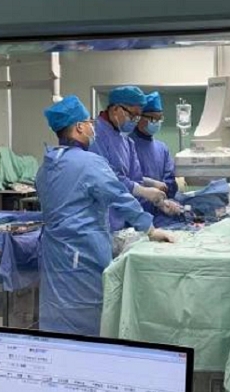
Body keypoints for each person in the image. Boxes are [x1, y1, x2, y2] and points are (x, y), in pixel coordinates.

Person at [36, 95, 173, 337]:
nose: (93, 128)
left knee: (57, 317)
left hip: (54, 253)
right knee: (87, 319)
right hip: (82, 254)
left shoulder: (47, 164)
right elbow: (119, 197)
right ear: (79, 127)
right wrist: (150, 229)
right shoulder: (89, 163)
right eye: (89, 122)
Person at [90, 85, 174, 229]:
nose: (135, 120)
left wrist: (158, 202)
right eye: (132, 115)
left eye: (138, 116)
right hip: (98, 218)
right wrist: (142, 191)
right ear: (116, 109)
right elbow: (106, 178)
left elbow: (135, 178)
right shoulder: (94, 135)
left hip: (120, 219)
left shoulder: (126, 141)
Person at [131, 91, 179, 201]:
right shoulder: (127, 145)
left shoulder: (162, 148)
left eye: (159, 119)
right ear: (139, 117)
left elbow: (170, 180)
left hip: (160, 204)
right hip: (134, 206)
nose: (156, 122)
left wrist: (165, 189)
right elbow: (126, 179)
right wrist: (150, 186)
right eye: (153, 119)